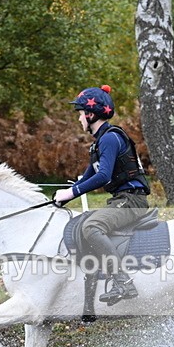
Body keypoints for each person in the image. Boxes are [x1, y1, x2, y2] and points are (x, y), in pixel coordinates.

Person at [54, 85, 151, 306]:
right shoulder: (99, 143)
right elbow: (88, 177)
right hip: (121, 199)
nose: (79, 119)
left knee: (92, 226)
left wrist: (71, 192)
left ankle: (123, 281)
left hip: (131, 200)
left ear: (91, 114)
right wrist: (65, 197)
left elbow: (103, 176)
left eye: (80, 114)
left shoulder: (109, 139)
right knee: (87, 223)